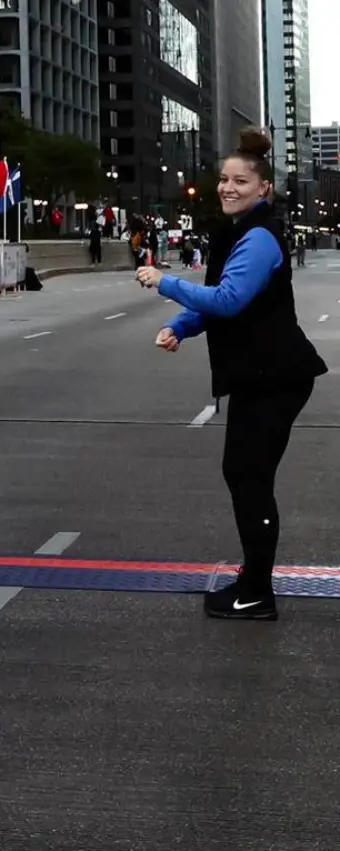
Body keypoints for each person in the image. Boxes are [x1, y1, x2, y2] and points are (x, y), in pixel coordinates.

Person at [137, 127, 327, 621]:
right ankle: (253, 579)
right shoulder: (242, 231)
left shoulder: (261, 237)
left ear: (262, 188)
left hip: (275, 375)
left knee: (249, 476)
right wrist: (181, 326)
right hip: (260, 374)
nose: (227, 188)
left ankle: (258, 593)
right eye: (223, 179)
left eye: (239, 181)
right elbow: (222, 302)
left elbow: (229, 299)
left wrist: (166, 282)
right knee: (244, 474)